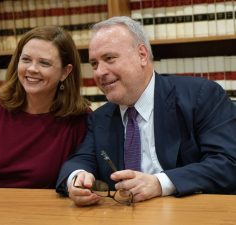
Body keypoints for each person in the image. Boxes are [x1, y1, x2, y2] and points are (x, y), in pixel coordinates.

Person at [56, 16, 236, 205]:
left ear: (142, 55)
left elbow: (228, 162)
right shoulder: (101, 117)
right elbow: (79, 161)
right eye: (94, 64)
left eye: (109, 58)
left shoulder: (200, 96)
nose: (99, 72)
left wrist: (160, 183)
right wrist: (77, 178)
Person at [0, 26, 90, 188]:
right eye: (25, 59)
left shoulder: (80, 118)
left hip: (47, 211)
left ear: (65, 72)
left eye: (44, 63)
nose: (31, 69)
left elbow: (83, 172)